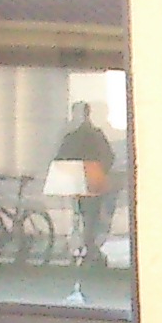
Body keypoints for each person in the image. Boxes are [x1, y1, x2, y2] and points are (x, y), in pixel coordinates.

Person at [49, 102, 114, 264]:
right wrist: (99, 171)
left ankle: (83, 246)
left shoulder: (72, 136)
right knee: (91, 216)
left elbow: (60, 158)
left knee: (81, 215)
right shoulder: (95, 134)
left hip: (78, 181)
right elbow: (108, 156)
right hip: (92, 180)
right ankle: (89, 246)